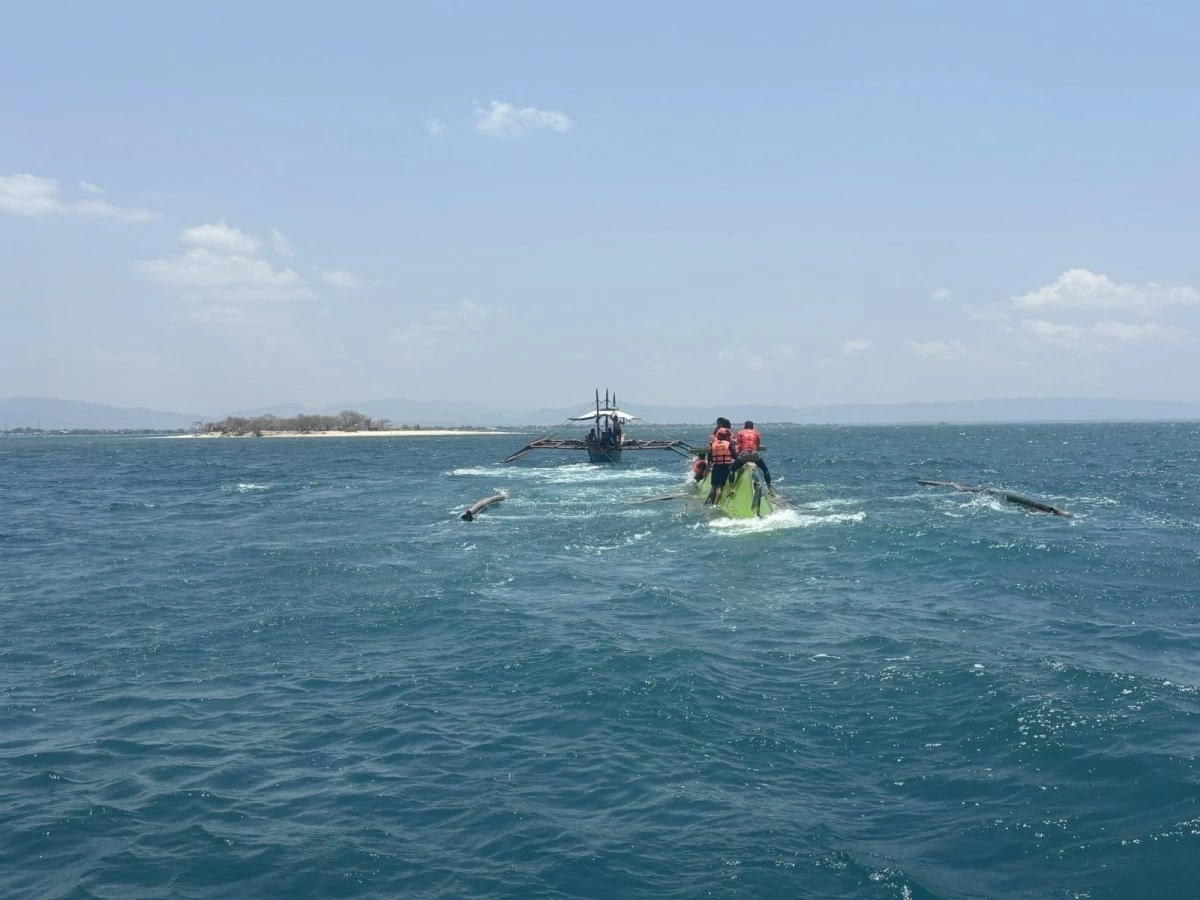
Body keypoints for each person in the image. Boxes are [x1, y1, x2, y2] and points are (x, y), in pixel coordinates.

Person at [730, 419, 773, 491]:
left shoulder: (740, 432)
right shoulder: (756, 432)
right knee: (765, 470)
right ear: (752, 427)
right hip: (754, 453)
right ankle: (769, 488)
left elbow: (739, 446)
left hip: (744, 453)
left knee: (732, 469)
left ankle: (731, 488)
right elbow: (758, 445)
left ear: (744, 426)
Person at [705, 426, 735, 504]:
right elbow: (734, 455)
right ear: (727, 436)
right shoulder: (728, 444)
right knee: (720, 487)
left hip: (716, 466)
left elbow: (711, 457)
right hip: (725, 467)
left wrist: (710, 463)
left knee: (713, 486)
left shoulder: (713, 444)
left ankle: (712, 503)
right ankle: (715, 504)